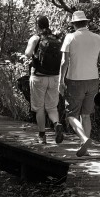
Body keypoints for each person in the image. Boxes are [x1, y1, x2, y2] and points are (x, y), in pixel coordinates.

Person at [58, 9, 100, 157]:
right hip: (93, 81)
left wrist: (61, 81)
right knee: (86, 115)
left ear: (74, 24)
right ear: (86, 23)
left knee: (71, 115)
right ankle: (85, 148)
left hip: (74, 81)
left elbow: (64, 62)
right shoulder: (98, 38)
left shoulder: (70, 38)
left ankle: (84, 138)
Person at [25, 15, 64, 144]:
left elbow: (28, 53)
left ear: (37, 25)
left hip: (39, 77)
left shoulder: (36, 38)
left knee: (39, 108)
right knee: (52, 106)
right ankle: (56, 123)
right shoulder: (56, 38)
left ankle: (42, 136)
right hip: (54, 77)